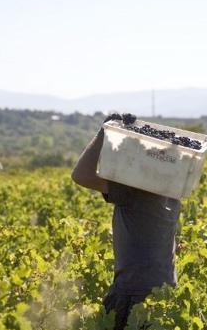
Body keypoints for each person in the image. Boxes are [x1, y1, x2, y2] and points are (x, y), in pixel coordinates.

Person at [71, 113, 181, 330]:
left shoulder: (136, 190)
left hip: (134, 293)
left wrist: (105, 132)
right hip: (164, 290)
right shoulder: (172, 191)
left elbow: (81, 175)